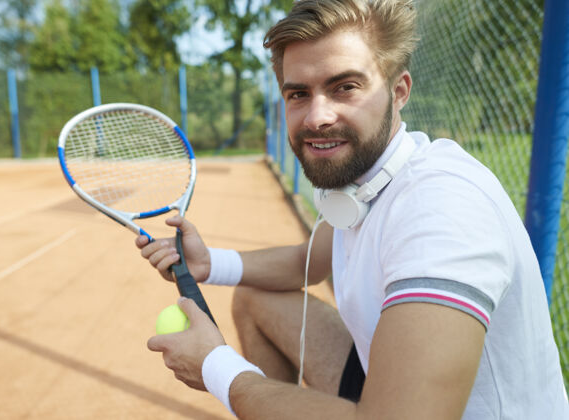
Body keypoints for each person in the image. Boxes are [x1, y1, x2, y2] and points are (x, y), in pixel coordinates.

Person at [136, 0, 569, 418]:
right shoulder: (366, 182)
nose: (317, 116)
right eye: (299, 94)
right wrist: (210, 263)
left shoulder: (441, 207)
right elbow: (307, 263)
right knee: (256, 299)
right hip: (387, 385)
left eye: (345, 87)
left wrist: (217, 367)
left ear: (398, 92)